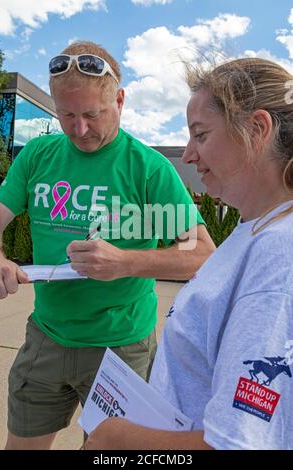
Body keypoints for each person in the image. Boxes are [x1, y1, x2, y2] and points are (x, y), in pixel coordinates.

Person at [0, 41, 215, 450]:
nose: (79, 130)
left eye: (92, 114)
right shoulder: (39, 155)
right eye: (66, 115)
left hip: (121, 346)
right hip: (46, 335)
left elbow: (200, 252)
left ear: (119, 100)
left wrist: (125, 261)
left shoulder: (148, 168)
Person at [85, 57, 293, 451]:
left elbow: (236, 444)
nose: (190, 155)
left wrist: (116, 438)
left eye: (200, 135)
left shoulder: (278, 253)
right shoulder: (253, 228)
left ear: (258, 129)